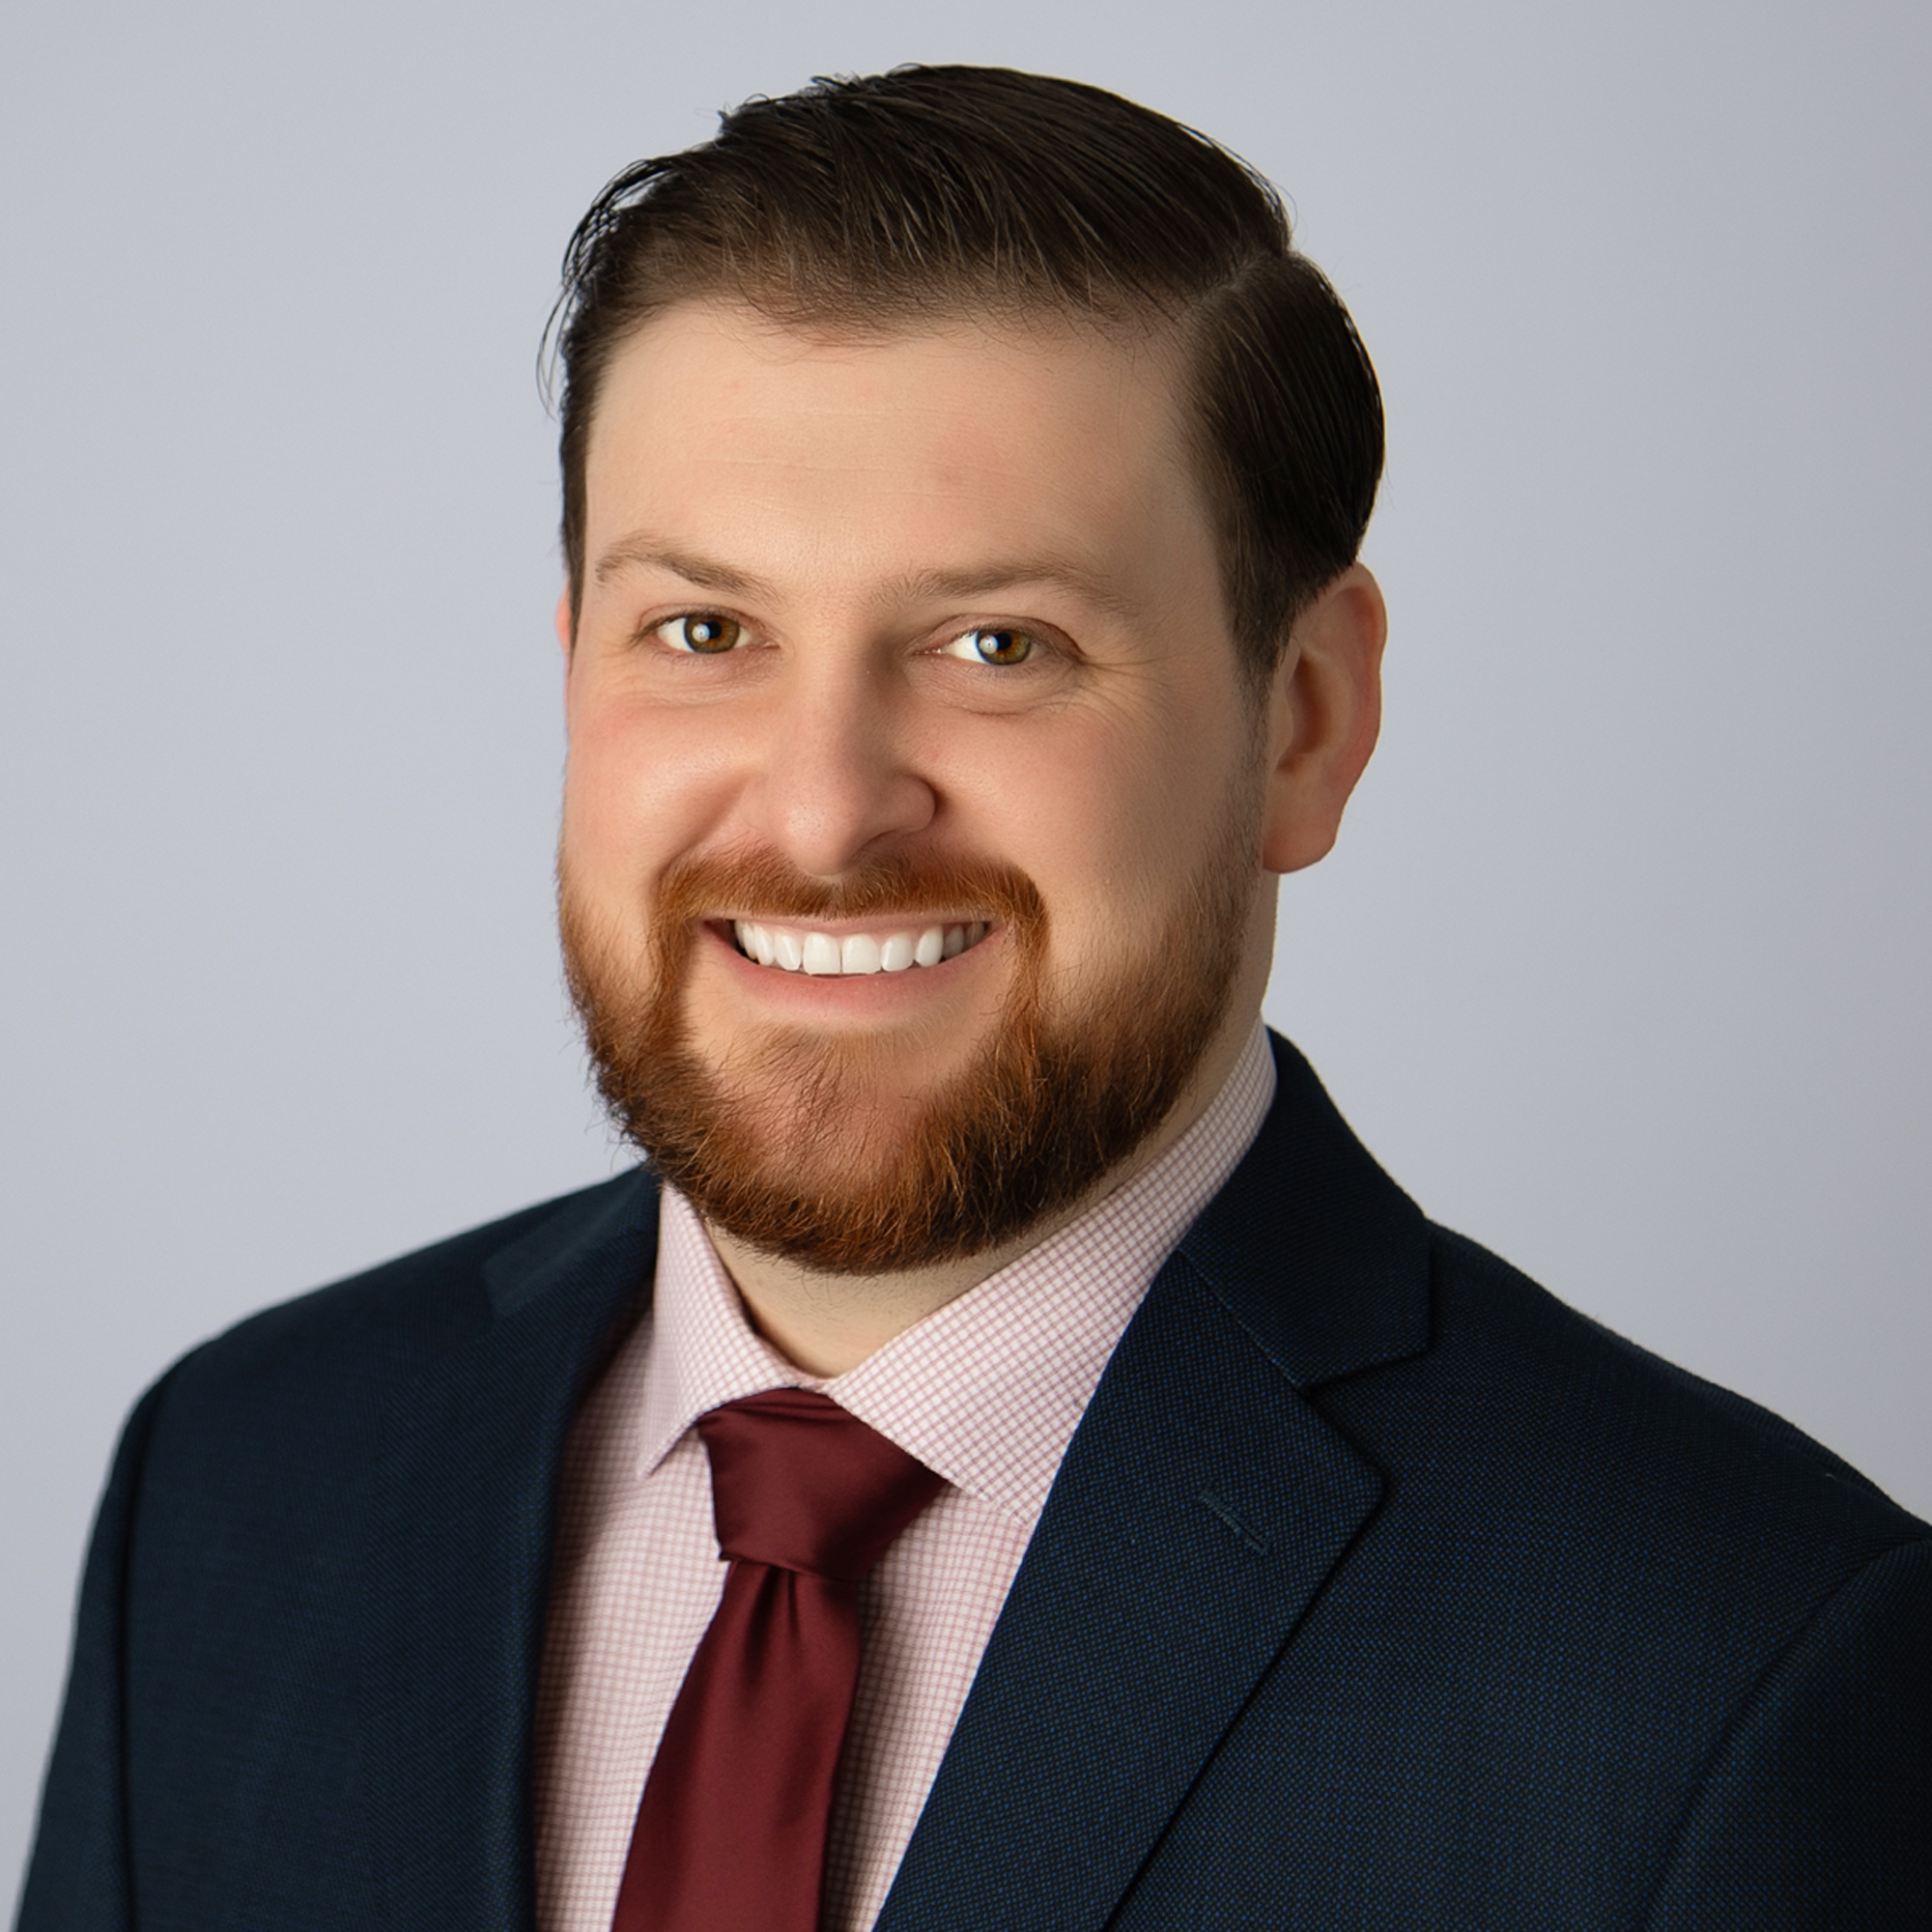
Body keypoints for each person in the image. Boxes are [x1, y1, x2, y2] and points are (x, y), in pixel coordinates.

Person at [17, 65, 1928, 1932]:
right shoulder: (244, 1480)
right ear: (574, 657)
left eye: (999, 643)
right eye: (704, 630)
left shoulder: (1731, 1675)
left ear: (1305, 721)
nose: (823, 811)